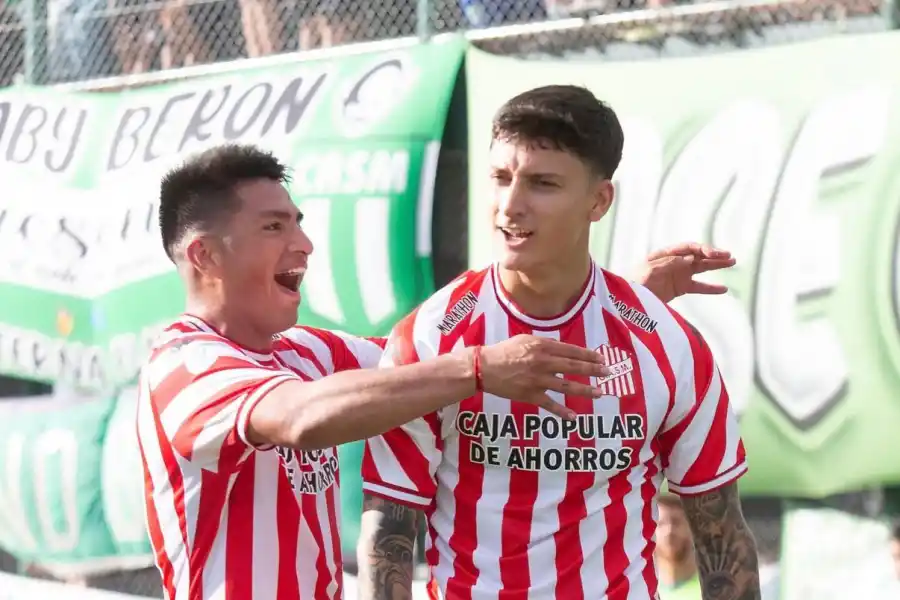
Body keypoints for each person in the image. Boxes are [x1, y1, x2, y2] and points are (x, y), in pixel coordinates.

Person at [138, 143, 736, 600]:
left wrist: (614, 299)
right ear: (204, 255)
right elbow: (299, 418)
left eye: (298, 222)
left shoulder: (307, 352)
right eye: (274, 226)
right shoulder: (183, 365)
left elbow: (428, 356)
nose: (305, 244)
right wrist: (477, 369)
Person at [357, 85, 760, 600]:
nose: (510, 205)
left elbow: (720, 533)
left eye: (542, 184)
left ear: (599, 200)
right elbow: (388, 533)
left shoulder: (669, 343)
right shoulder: (430, 335)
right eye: (500, 178)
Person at [656, 495, 701, 600]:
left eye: (676, 522)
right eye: (661, 524)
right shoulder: (641, 590)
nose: (669, 531)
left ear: (691, 529)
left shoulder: (713, 588)